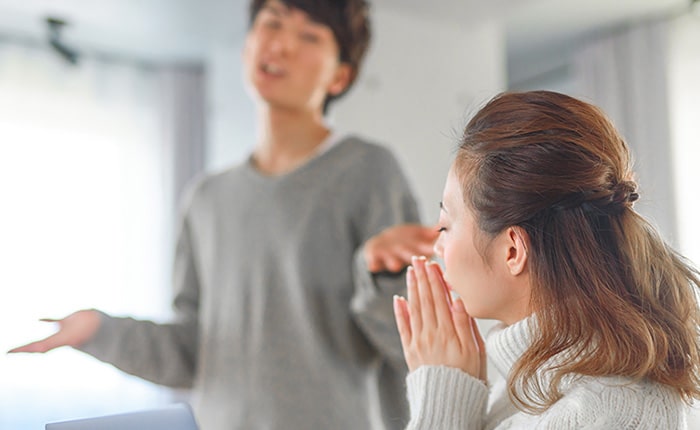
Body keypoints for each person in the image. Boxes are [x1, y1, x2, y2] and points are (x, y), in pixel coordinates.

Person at [10, 1, 438, 429]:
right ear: (246, 47)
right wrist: (100, 331)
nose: (282, 44)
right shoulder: (206, 198)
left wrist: (378, 278)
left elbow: (413, 350)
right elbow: (192, 351)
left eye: (309, 35)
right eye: (271, 23)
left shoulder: (369, 171)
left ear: (340, 75)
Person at [393, 90, 700, 429]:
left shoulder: (604, 414)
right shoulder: (524, 394)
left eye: (446, 225)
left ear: (512, 251)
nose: (438, 247)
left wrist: (440, 405)